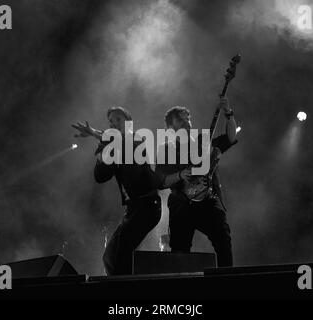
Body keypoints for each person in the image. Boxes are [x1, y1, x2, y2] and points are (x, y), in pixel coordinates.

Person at [72, 107, 162, 275]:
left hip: (148, 205)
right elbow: (100, 177)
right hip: (133, 209)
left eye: (118, 120)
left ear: (129, 123)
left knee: (119, 255)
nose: (114, 124)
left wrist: (95, 133)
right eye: (111, 122)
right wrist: (102, 153)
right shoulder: (114, 146)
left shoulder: (137, 139)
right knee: (110, 257)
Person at [156, 97, 238, 267]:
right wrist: (180, 175)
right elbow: (160, 181)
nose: (186, 122)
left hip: (207, 201)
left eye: (188, 119)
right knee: (180, 251)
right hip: (181, 204)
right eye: (180, 119)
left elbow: (230, 137)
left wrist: (228, 113)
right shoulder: (166, 149)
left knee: (223, 239)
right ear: (171, 128)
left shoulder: (203, 141)